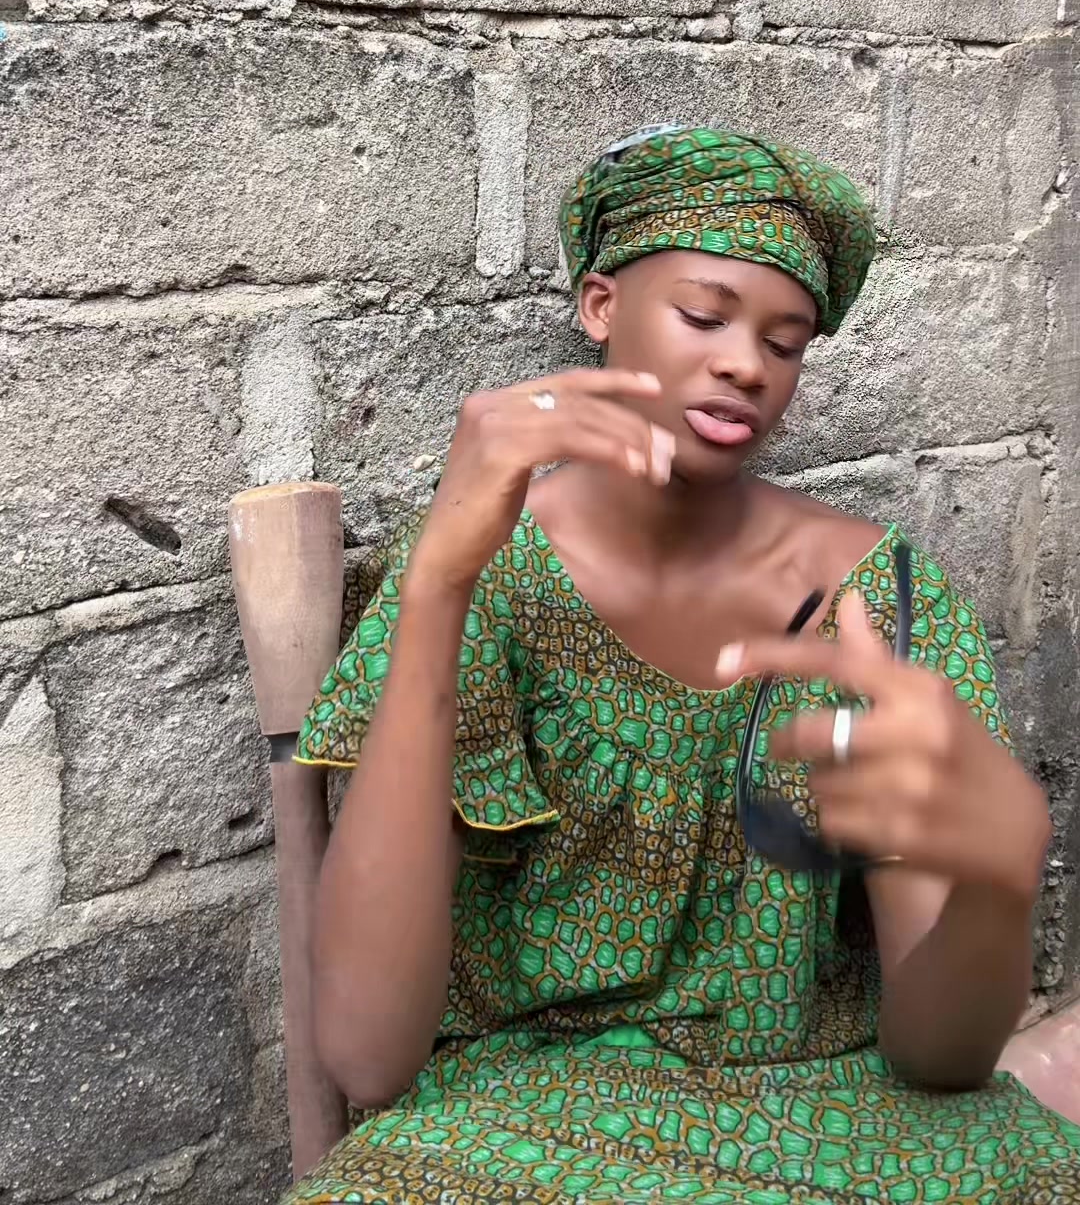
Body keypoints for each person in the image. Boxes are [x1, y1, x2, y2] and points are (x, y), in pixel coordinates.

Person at [283, 126, 1080, 1204]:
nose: (746, 364)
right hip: (524, 1127)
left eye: (785, 343)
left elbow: (940, 1061)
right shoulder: (488, 573)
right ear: (600, 306)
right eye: (704, 317)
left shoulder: (877, 607)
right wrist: (437, 589)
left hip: (833, 1113)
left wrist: (995, 888)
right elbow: (368, 1059)